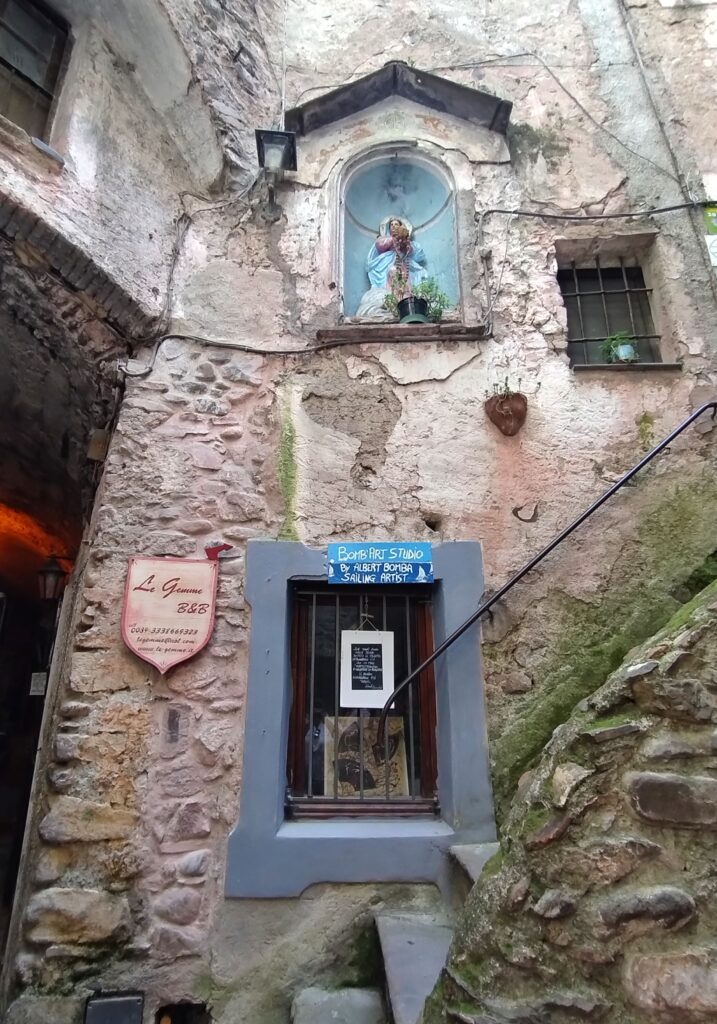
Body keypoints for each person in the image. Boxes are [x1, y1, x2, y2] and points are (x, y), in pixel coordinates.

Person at [355, 216, 427, 319]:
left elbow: (412, 251)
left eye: (396, 224)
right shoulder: (385, 239)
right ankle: (393, 298)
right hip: (388, 262)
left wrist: (404, 240)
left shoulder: (405, 240)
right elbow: (380, 245)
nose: (393, 227)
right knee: (393, 272)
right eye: (391, 225)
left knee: (404, 277)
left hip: (403, 262)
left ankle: (407, 298)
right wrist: (394, 239)